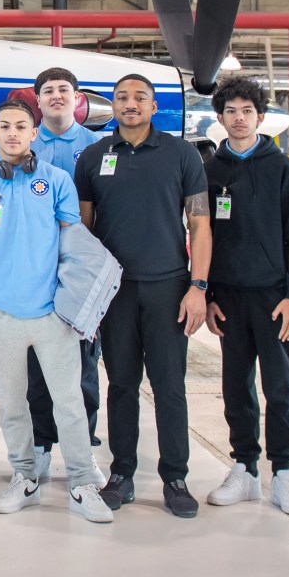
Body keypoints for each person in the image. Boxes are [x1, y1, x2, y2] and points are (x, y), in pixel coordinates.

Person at [0, 99, 113, 524]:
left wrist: (79, 306)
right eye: (4, 126)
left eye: (20, 126)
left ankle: (81, 483)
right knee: (12, 406)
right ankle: (24, 477)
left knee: (69, 403)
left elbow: (74, 246)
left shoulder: (57, 181)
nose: (11, 133)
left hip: (51, 316)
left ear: (33, 132)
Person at [75, 71, 211, 517]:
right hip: (113, 293)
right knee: (121, 386)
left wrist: (198, 286)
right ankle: (122, 474)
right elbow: (83, 230)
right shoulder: (94, 157)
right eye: (121, 97)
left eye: (140, 97)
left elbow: (200, 225)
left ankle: (175, 477)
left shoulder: (181, 153)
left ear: (154, 107)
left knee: (170, 387)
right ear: (112, 106)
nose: (130, 103)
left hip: (169, 287)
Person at [200, 75, 289, 516]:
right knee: (236, 386)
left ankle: (283, 471)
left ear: (261, 118)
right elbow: (201, 235)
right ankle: (244, 468)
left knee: (279, 387)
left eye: (247, 111)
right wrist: (206, 293)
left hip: (273, 297)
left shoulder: (281, 168)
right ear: (220, 118)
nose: (239, 118)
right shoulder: (211, 171)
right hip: (228, 298)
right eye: (231, 111)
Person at [26, 66, 102, 482]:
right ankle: (40, 447)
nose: (56, 96)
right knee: (36, 365)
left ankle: (84, 450)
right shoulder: (25, 146)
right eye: (48, 90)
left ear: (77, 98)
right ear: (37, 100)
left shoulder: (97, 148)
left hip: (81, 274)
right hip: (36, 274)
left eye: (64, 90)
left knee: (83, 366)